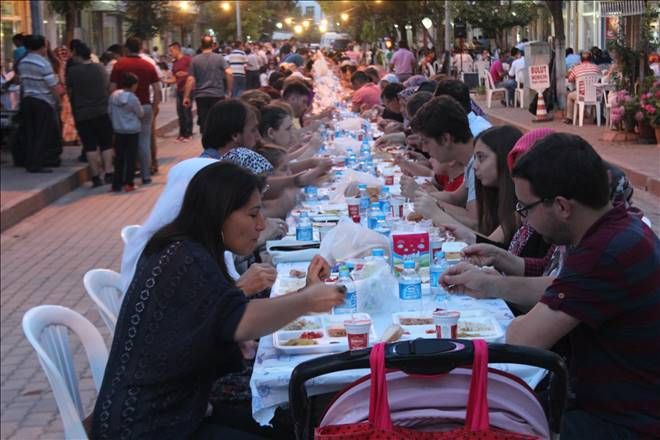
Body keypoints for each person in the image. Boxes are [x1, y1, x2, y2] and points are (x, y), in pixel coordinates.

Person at [93, 161, 345, 439]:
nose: (261, 225)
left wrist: (304, 294)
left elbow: (229, 313)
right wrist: (307, 300)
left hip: (181, 410)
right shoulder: (184, 258)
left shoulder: (186, 248)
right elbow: (241, 321)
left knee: (288, 425)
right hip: (148, 426)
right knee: (291, 421)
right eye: (252, 214)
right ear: (219, 213)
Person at [501, 134, 660, 439]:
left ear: (561, 206)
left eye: (526, 209)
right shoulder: (619, 227)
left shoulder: (604, 253)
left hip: (623, 421)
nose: (525, 222)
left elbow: (521, 340)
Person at [409, 95, 478, 229]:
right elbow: (455, 197)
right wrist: (420, 196)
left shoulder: (478, 163)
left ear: (446, 139)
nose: (423, 148)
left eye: (426, 142)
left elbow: (475, 223)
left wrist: (435, 209)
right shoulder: (470, 161)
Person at [110, 36, 161, 185]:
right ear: (141, 48)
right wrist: (155, 106)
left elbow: (112, 88)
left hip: (122, 108)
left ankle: (126, 175)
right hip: (144, 106)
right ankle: (146, 175)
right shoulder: (148, 65)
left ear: (126, 48)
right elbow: (157, 89)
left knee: (123, 143)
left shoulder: (119, 65)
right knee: (144, 141)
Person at [66, 42, 114, 187]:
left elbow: (70, 92)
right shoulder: (100, 68)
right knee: (106, 143)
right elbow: (107, 87)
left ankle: (95, 177)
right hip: (102, 111)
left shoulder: (73, 72)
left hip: (83, 113)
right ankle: (109, 172)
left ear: (76, 53)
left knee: (90, 145)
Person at [16, 34, 64, 173]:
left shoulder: (23, 61)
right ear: (42, 47)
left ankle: (30, 161)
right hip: (42, 101)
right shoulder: (43, 63)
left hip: (27, 100)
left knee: (31, 133)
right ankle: (38, 163)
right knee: (42, 133)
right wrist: (59, 101)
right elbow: (52, 85)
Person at [183, 35, 233, 136]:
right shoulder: (219, 58)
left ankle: (207, 146)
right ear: (213, 46)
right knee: (218, 122)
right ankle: (218, 145)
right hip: (217, 95)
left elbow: (190, 79)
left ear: (201, 46)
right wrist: (229, 90)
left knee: (204, 123)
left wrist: (186, 96)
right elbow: (229, 72)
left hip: (201, 96)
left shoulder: (195, 60)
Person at [108, 72, 143, 192]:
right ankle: (129, 183)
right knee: (131, 157)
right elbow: (140, 113)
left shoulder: (113, 95)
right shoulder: (133, 98)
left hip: (118, 130)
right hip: (132, 131)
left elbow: (109, 111)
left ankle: (116, 184)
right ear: (133, 85)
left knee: (119, 158)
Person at [564, 51, 601, 124]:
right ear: (591, 59)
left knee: (569, 96)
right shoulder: (596, 68)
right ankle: (597, 117)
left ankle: (569, 118)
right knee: (600, 94)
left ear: (581, 59)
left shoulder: (576, 68)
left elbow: (570, 79)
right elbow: (600, 79)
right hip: (595, 95)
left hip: (581, 95)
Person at [167, 42, 193, 142]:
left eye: (171, 50)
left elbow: (192, 73)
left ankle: (188, 133)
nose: (170, 53)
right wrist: (163, 80)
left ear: (177, 49)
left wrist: (185, 74)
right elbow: (174, 78)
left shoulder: (188, 59)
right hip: (179, 89)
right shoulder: (174, 63)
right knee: (180, 112)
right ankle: (182, 133)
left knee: (187, 111)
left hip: (188, 88)